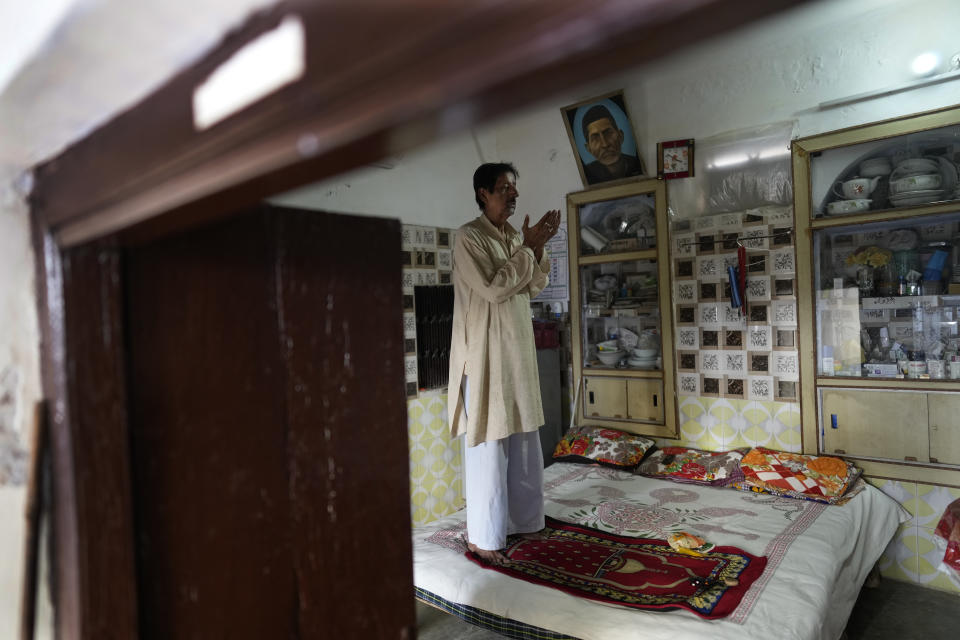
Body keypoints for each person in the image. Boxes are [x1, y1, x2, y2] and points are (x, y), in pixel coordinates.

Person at [447, 162, 561, 565]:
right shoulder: (468, 238)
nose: (513, 195)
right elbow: (495, 289)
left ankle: (524, 521)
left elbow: (534, 284)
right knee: (490, 446)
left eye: (514, 188)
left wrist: (537, 247)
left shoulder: (514, 236)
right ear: (482, 194)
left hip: (516, 353)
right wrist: (529, 248)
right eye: (503, 189)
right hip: (484, 358)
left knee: (524, 440)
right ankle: (484, 536)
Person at [580, 104, 643, 184]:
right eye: (595, 138)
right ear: (588, 148)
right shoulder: (590, 174)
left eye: (608, 133)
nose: (605, 144)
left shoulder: (635, 163)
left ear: (620, 136)